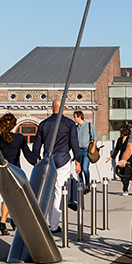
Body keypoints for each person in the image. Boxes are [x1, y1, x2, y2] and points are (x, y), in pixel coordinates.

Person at [33, 99, 81, 234]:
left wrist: (35, 159)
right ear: (63, 108)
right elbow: (74, 143)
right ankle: (54, 225)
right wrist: (78, 161)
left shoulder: (43, 124)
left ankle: (41, 221)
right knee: (58, 191)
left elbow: (37, 144)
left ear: (51, 107)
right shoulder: (69, 124)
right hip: (63, 160)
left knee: (45, 192)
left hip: (47, 161)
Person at [73, 110, 97, 193]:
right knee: (78, 170)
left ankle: (87, 184)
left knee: (85, 168)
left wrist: (93, 147)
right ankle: (82, 186)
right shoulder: (75, 128)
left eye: (75, 117)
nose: (74, 118)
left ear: (79, 117)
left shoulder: (89, 125)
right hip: (78, 150)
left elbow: (95, 138)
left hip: (87, 150)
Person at [106, 124, 132, 195]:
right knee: (121, 174)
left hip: (129, 158)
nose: (119, 131)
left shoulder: (130, 139)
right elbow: (117, 149)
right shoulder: (119, 139)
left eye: (121, 130)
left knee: (126, 173)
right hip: (121, 158)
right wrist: (112, 157)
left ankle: (125, 189)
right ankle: (125, 182)